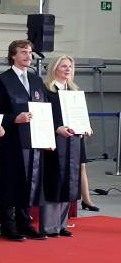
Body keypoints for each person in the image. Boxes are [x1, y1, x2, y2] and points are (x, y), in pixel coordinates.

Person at [0, 39, 48, 241]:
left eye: (30, 52)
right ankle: (8, 225)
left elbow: (44, 110)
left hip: (34, 140)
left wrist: (47, 137)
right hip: (12, 141)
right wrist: (14, 118)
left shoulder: (36, 80)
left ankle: (25, 223)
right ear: (12, 55)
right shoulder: (1, 80)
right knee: (10, 181)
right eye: (23, 52)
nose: (28, 56)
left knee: (29, 181)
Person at [40, 55, 88, 238]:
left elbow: (80, 116)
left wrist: (86, 127)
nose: (68, 69)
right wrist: (56, 128)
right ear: (54, 68)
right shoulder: (46, 91)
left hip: (73, 141)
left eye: (70, 66)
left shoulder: (74, 91)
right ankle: (49, 226)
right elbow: (43, 117)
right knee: (54, 181)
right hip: (55, 141)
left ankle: (61, 224)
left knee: (70, 181)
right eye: (64, 66)